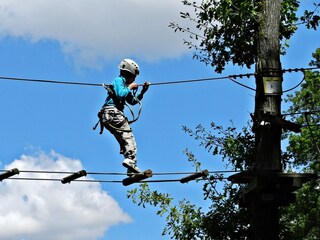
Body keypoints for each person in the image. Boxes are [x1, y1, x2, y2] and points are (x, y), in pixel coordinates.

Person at [99, 59, 150, 174]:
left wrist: (142, 92)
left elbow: (131, 101)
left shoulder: (123, 85)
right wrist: (131, 87)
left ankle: (130, 169)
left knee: (123, 140)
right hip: (113, 113)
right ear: (128, 74)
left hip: (108, 117)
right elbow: (121, 94)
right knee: (129, 137)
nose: (135, 79)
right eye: (134, 76)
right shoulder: (118, 81)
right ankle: (131, 160)